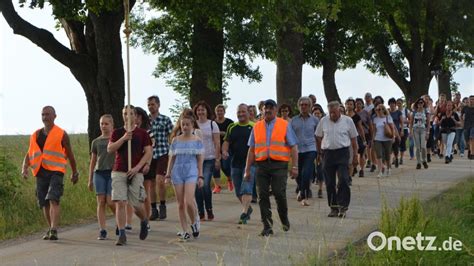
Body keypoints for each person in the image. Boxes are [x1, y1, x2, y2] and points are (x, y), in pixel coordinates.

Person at [21, 106, 79, 240]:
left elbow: (70, 154)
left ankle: (54, 229)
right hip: (40, 172)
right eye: (43, 114)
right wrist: (24, 168)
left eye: (47, 114)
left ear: (54, 116)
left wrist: (75, 172)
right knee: (44, 202)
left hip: (56, 171)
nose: (45, 117)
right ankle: (50, 229)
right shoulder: (35, 134)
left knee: (53, 198)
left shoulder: (62, 134)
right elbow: (29, 154)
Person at [245, 99, 298, 236]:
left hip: (279, 165)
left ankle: (284, 219)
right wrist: (247, 170)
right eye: (265, 108)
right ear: (262, 110)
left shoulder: (284, 124)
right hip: (261, 165)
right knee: (262, 195)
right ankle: (267, 226)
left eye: (270, 108)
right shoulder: (257, 127)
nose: (267, 110)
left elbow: (293, 147)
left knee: (279, 193)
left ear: (275, 110)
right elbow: (251, 149)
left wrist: (295, 166)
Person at [108, 105, 151, 246]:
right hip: (119, 170)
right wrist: (123, 138)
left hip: (135, 171)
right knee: (120, 202)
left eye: (130, 113)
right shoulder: (117, 132)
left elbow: (148, 153)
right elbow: (110, 148)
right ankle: (121, 234)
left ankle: (144, 220)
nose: (127, 116)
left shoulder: (142, 133)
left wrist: (138, 167)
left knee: (135, 203)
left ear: (135, 116)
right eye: (125, 113)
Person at [315, 101, 358, 218]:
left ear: (339, 110)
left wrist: (355, 155)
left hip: (342, 153)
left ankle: (343, 206)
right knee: (329, 182)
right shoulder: (324, 120)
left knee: (344, 179)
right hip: (328, 153)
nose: (332, 115)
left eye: (334, 112)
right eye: (330, 113)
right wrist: (319, 151)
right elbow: (318, 136)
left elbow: (354, 140)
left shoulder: (348, 121)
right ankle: (333, 207)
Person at [165, 114, 204, 241]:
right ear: (180, 126)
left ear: (192, 125)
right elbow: (172, 159)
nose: (185, 127)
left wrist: (200, 176)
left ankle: (194, 223)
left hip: (191, 172)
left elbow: (199, 160)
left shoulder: (197, 141)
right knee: (180, 203)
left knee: (188, 201)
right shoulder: (176, 140)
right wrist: (168, 174)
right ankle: (184, 230)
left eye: (188, 124)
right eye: (183, 124)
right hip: (177, 172)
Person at [222, 104, 256, 224]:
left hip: (251, 163)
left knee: (247, 188)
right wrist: (224, 151)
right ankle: (248, 209)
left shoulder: (254, 126)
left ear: (248, 113)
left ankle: (244, 212)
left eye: (243, 112)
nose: (241, 114)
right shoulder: (232, 127)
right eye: (238, 112)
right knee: (238, 191)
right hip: (235, 163)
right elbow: (226, 141)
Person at [88, 114, 116, 240]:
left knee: (110, 201)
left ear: (111, 125)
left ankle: (119, 221)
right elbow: (93, 161)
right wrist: (90, 179)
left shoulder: (116, 139)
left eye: (106, 124)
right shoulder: (96, 142)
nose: (104, 126)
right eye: (102, 124)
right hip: (99, 173)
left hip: (112, 172)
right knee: (101, 201)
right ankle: (102, 229)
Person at [147, 96, 174, 221]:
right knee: (151, 183)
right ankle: (153, 209)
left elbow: (172, 136)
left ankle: (162, 205)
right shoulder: (145, 121)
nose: (151, 107)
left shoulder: (165, 119)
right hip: (149, 154)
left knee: (159, 180)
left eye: (153, 104)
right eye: (149, 105)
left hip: (163, 152)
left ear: (158, 105)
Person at [194, 101, 220, 221]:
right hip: (195, 159)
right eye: (198, 110)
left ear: (207, 111)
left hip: (209, 158)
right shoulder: (194, 125)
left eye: (203, 109)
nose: (200, 112)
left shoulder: (212, 124)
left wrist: (217, 158)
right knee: (197, 187)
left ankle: (209, 209)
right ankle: (200, 212)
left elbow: (217, 142)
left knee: (204, 185)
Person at [291, 97, 319, 206]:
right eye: (302, 105)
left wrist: (320, 151)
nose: (304, 107)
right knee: (298, 174)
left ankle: (304, 195)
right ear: (299, 106)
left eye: (306, 105)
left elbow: (318, 136)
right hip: (297, 150)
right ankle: (301, 188)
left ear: (310, 106)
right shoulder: (293, 121)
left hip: (311, 149)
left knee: (306, 172)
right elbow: (290, 136)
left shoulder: (315, 120)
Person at [212, 104, 234, 194]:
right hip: (214, 147)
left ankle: (229, 179)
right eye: (218, 111)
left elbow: (233, 135)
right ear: (215, 112)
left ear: (224, 112)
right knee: (215, 167)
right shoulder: (212, 123)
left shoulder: (229, 122)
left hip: (226, 147)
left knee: (225, 166)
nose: (219, 112)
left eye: (221, 111)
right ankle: (217, 186)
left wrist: (224, 133)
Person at [372, 104, 397, 177]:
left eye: (379, 109)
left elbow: (392, 128)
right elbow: (374, 130)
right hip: (378, 139)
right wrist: (373, 139)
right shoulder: (375, 119)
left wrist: (393, 137)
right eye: (376, 110)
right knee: (379, 155)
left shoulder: (388, 118)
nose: (377, 111)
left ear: (383, 110)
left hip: (387, 138)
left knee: (387, 155)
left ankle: (388, 168)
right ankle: (380, 171)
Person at [345, 99, 366, 178]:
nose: (349, 106)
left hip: (355, 137)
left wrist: (364, 139)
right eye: (348, 104)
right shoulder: (343, 116)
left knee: (360, 153)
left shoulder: (356, 116)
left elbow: (360, 128)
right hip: (345, 138)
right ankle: (352, 169)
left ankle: (361, 169)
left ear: (353, 106)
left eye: (351, 104)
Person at [410, 98, 430, 169]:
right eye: (419, 103)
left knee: (423, 146)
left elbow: (428, 123)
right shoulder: (414, 112)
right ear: (417, 104)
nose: (420, 104)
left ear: (423, 103)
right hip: (415, 130)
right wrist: (410, 132)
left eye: (421, 102)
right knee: (417, 147)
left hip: (423, 130)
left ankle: (424, 160)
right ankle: (418, 162)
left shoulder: (426, 111)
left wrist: (428, 132)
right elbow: (411, 122)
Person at [355, 98, 371, 177]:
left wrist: (371, 133)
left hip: (364, 135)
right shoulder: (352, 113)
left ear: (362, 104)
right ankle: (354, 166)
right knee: (354, 152)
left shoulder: (365, 113)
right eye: (356, 103)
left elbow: (370, 124)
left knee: (361, 153)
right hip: (353, 135)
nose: (358, 105)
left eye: (360, 103)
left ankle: (361, 169)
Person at [312, 105, 326, 197]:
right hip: (311, 148)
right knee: (311, 169)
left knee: (320, 169)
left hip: (322, 149)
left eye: (318, 113)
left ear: (321, 114)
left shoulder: (325, 123)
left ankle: (320, 189)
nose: (317, 115)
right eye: (315, 113)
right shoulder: (310, 123)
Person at [388, 98, 403, 168]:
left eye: (393, 103)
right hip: (388, 132)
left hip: (396, 132)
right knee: (389, 148)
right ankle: (389, 162)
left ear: (395, 104)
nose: (392, 105)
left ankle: (396, 158)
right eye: (390, 103)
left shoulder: (398, 112)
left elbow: (402, 122)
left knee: (396, 147)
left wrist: (402, 130)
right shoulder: (387, 112)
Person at [461, 95, 474, 160]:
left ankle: (472, 153)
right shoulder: (465, 108)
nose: (472, 101)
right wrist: (462, 123)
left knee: (472, 138)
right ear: (468, 100)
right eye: (470, 99)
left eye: (473, 99)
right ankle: (469, 150)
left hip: (473, 126)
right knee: (467, 140)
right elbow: (461, 116)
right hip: (466, 126)